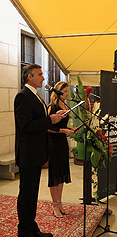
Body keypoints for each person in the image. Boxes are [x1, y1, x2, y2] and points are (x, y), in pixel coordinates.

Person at [15, 64, 65, 237]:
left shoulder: (35, 95)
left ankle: (32, 226)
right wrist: (48, 120)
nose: (43, 78)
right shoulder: (22, 96)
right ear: (29, 77)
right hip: (28, 153)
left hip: (36, 152)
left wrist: (53, 118)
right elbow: (26, 125)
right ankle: (24, 232)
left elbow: (39, 120)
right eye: (40, 74)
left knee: (33, 192)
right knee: (26, 193)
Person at [47, 81, 75, 218]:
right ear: (58, 92)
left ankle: (59, 202)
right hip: (53, 143)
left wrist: (70, 130)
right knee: (54, 175)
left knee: (61, 175)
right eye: (64, 91)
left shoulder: (65, 106)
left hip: (63, 142)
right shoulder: (51, 107)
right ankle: (54, 204)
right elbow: (47, 128)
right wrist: (64, 130)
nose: (67, 94)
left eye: (67, 91)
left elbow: (63, 125)